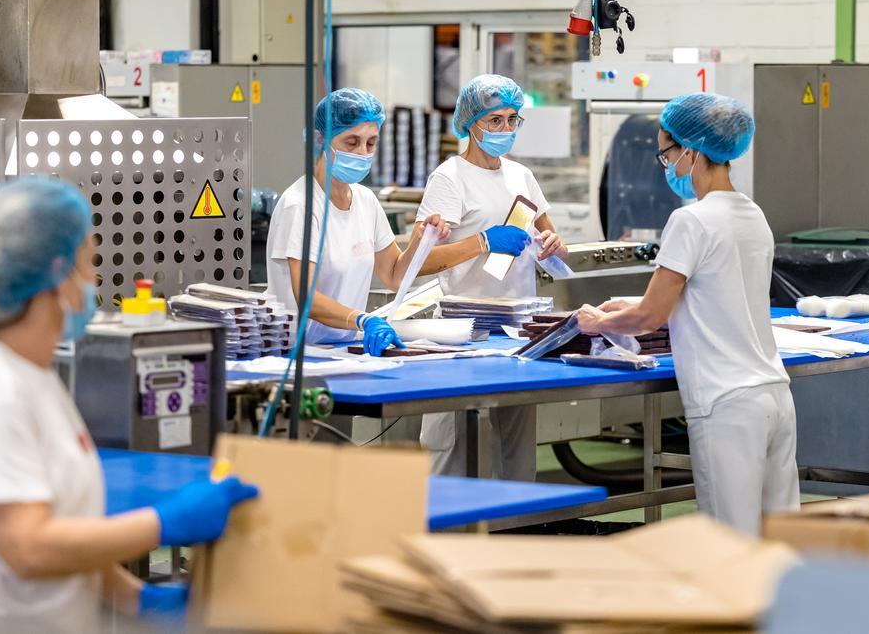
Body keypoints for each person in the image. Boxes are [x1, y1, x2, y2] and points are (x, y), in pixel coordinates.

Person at [0, 178, 259, 633]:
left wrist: (140, 598)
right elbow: (30, 547)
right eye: (88, 264)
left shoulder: (33, 378)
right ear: (55, 276)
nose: (94, 281)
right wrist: (162, 524)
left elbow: (66, 528)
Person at [576, 93, 799, 536]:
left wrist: (598, 323)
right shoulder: (753, 214)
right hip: (773, 395)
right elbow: (712, 290)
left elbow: (650, 316)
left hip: (725, 402)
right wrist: (632, 305)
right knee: (780, 540)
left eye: (667, 152)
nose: (667, 164)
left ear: (691, 152)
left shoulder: (691, 220)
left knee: (729, 542)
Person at [265, 87, 530, 355]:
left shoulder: (365, 201)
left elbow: (394, 276)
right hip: (294, 353)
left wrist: (422, 239)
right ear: (322, 140)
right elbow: (307, 298)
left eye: (371, 143)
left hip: (341, 348)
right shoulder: (300, 205)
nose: (362, 152)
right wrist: (363, 319)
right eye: (351, 142)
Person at [416, 74, 569, 479]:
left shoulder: (521, 176)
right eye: (494, 120)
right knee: (453, 448)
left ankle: (515, 533)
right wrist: (482, 241)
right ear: (470, 122)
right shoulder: (450, 178)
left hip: (518, 330)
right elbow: (424, 261)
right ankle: (444, 534)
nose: (505, 130)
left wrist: (552, 245)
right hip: (464, 332)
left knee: (516, 452)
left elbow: (550, 237)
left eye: (512, 119)